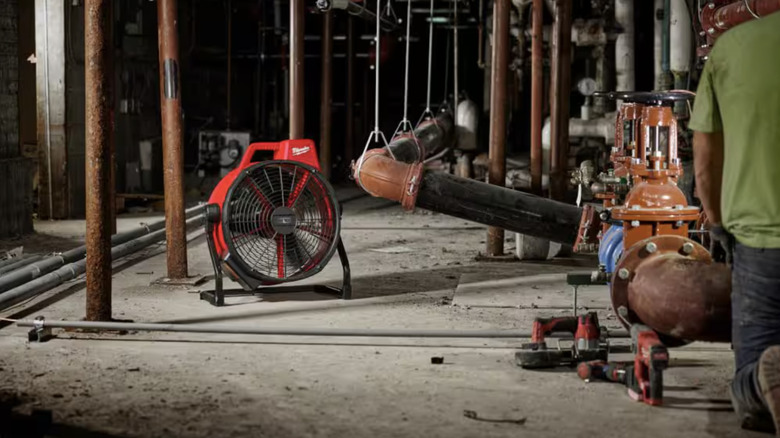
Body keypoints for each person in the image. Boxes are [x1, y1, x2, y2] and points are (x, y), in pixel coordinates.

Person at [689, 10, 780, 435]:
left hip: (759, 240)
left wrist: (716, 223)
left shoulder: (729, 49)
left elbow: (705, 162)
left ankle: (761, 390)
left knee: (751, 385)